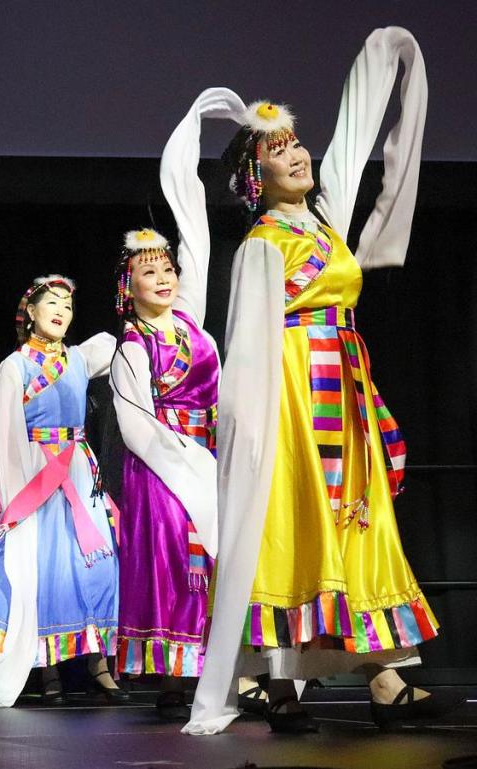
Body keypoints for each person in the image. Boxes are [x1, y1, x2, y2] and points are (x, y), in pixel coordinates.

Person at [185, 27, 458, 734]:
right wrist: (248, 437)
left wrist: (389, 51)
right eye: (279, 152)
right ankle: (283, 691)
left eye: (297, 143)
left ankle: (385, 677)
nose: (299, 155)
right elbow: (245, 349)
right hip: (294, 403)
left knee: (357, 525)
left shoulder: (324, 228)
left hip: (345, 387)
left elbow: (355, 136)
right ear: (257, 179)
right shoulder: (261, 246)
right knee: (293, 533)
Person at [0, 276, 123, 707]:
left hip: (76, 465)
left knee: (96, 565)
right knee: (44, 570)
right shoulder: (14, 366)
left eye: (68, 305)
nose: (60, 311)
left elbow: (115, 342)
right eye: (50, 303)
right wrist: (16, 497)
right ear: (30, 312)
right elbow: (5, 435)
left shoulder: (78, 358)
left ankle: (99, 663)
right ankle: (46, 667)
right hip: (36, 470)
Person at [110, 228, 219, 720]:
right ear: (127, 287)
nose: (161, 279)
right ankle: (176, 674)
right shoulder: (132, 346)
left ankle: (227, 669)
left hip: (210, 452)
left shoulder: (197, 333)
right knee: (176, 562)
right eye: (147, 272)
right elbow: (136, 427)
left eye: (167, 270)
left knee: (219, 560)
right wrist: (185, 461)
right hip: (162, 464)